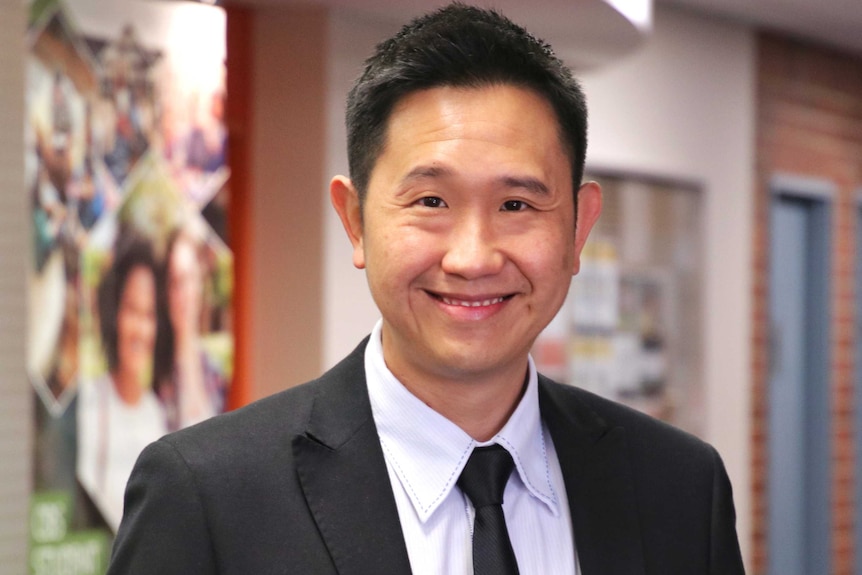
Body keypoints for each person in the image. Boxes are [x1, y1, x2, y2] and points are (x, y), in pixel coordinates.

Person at [108, 4, 745, 574]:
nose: (472, 257)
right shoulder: (207, 497)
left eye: (518, 204)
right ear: (354, 220)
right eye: (431, 200)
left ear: (579, 229)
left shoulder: (679, 488)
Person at [77, 234, 167, 532]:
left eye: (149, 314)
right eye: (131, 310)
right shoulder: (88, 403)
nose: (141, 329)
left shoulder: (158, 415)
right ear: (114, 312)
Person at [155, 224, 227, 431]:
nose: (181, 295)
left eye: (187, 279)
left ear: (200, 283)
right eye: (173, 283)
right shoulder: (157, 379)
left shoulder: (218, 374)